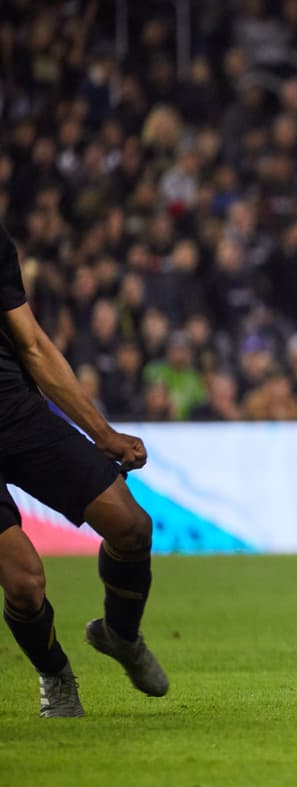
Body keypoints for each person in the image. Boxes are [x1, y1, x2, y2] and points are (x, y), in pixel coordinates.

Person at [0, 225, 168, 717]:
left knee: (131, 527)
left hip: (15, 411)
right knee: (26, 583)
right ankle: (55, 675)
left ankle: (121, 634)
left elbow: (32, 345)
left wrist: (102, 432)